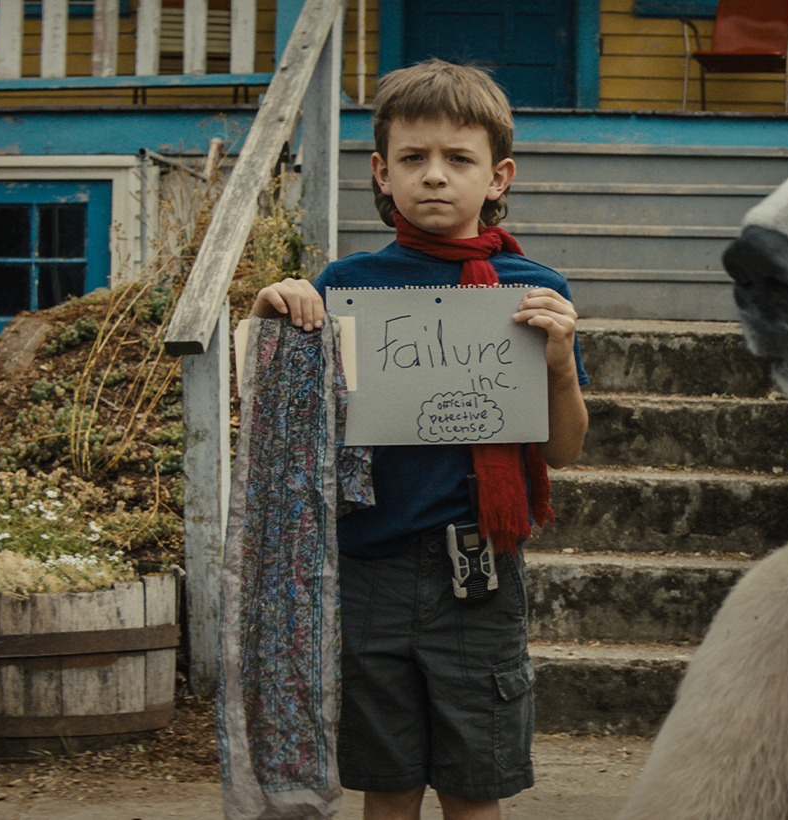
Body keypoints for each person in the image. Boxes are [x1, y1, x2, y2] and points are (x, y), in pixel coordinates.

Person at [248, 59, 589, 820]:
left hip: (479, 571)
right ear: (382, 171)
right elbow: (298, 428)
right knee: (389, 784)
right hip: (367, 564)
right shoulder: (344, 285)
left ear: (497, 176)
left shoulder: (534, 291)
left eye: (458, 159)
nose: (435, 177)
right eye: (414, 158)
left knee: (475, 791)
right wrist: (283, 311)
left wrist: (560, 363)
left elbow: (563, 451)